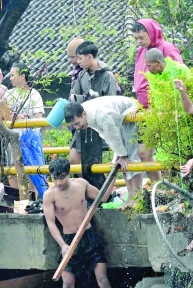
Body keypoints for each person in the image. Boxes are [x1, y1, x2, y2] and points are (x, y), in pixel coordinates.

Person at [42, 156, 123, 288]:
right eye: (54, 178)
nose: (58, 181)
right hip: (69, 241)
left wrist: (115, 173)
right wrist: (62, 245)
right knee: (67, 285)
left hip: (89, 237)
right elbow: (51, 223)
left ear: (68, 173)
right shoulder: (50, 195)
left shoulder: (81, 184)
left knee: (103, 279)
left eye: (61, 177)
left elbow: (104, 196)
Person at [63, 98, 142, 209]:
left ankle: (138, 197)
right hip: (117, 120)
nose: (77, 128)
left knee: (131, 158)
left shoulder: (101, 116)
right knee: (121, 162)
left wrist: (122, 155)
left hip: (129, 111)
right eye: (73, 126)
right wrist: (119, 154)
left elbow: (113, 134)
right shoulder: (85, 114)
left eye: (77, 123)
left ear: (84, 114)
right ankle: (131, 196)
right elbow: (107, 135)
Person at [68, 41, 120, 186]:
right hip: (82, 123)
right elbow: (74, 97)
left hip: (98, 123)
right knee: (74, 158)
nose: (78, 62)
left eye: (80, 58)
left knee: (96, 162)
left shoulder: (108, 75)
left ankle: (100, 193)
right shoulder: (81, 75)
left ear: (90, 57)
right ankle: (85, 189)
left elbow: (111, 101)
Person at [7, 62, 47, 197]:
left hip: (29, 141)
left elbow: (38, 121)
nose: (10, 78)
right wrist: (15, 116)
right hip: (12, 139)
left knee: (31, 172)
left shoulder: (34, 95)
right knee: (13, 172)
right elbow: (4, 116)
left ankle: (34, 203)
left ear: (22, 76)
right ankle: (15, 203)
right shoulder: (9, 94)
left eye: (13, 75)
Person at [132, 18, 184, 109]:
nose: (139, 42)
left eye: (141, 37)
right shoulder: (142, 50)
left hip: (163, 106)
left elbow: (179, 74)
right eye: (136, 38)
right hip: (143, 108)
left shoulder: (166, 48)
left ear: (151, 33)